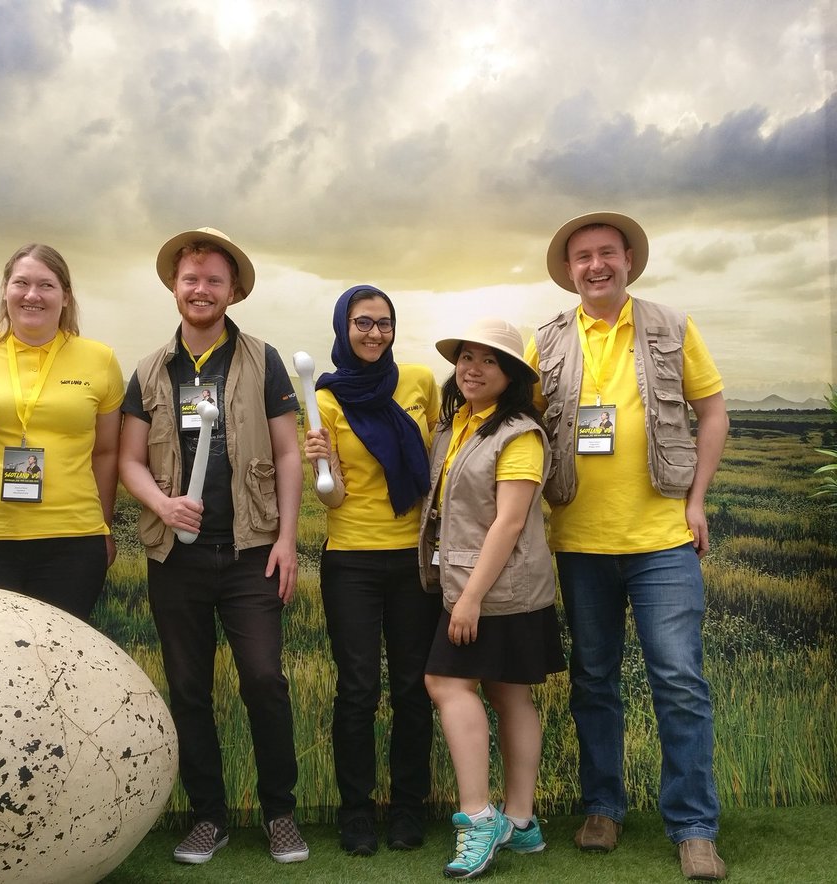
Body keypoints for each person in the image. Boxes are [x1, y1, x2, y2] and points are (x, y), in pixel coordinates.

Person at [526, 212, 729, 880]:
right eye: (582, 257)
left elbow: (713, 411)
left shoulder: (672, 325)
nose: (595, 265)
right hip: (579, 544)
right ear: (570, 269)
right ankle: (603, 809)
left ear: (628, 260)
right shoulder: (548, 340)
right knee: (594, 681)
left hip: (663, 541)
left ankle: (694, 827)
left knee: (679, 680)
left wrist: (696, 501)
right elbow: (516, 420)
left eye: (606, 253)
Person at [117, 227, 308, 865]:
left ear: (233, 292)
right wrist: (161, 503)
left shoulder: (262, 359)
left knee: (263, 679)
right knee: (188, 686)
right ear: (175, 286)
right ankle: (208, 817)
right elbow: (129, 461)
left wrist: (286, 539)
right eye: (190, 278)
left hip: (252, 553)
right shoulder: (149, 369)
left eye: (214, 280)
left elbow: (287, 450)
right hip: (177, 557)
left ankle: (281, 813)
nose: (200, 289)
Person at [419, 318, 566, 879]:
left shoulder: (520, 433)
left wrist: (471, 598)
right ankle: (522, 824)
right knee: (508, 694)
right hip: (478, 584)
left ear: (511, 376)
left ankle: (480, 818)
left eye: (489, 361)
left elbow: (509, 522)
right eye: (466, 358)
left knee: (446, 683)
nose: (473, 368)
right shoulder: (459, 422)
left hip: (498, 589)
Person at [302, 284, 440, 855]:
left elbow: (437, 458)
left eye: (384, 323)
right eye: (363, 323)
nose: (375, 333)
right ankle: (356, 812)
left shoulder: (419, 383)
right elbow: (331, 500)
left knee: (412, 688)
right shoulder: (324, 398)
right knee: (357, 691)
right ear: (343, 327)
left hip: (414, 559)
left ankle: (409, 807)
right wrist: (324, 465)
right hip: (352, 560)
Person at [0, 243, 123, 622]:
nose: (32, 295)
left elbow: (105, 453)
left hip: (72, 542)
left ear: (65, 296)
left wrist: (101, 525)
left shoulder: (100, 359)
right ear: (5, 290)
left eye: (46, 285)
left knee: (56, 665)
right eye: (21, 283)